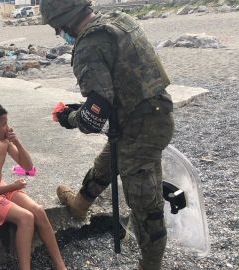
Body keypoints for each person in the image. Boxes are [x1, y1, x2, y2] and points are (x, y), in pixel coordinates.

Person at [41, 1, 175, 269]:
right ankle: (80, 204)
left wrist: (69, 117)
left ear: (65, 21)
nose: (60, 34)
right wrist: (86, 107)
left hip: (142, 128)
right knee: (108, 161)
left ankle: (150, 264)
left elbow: (94, 117)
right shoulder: (118, 20)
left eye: (58, 28)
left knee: (144, 203)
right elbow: (117, 85)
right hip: (148, 112)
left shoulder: (88, 45)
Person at [0, 103, 67, 270]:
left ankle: (60, 265)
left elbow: (27, 166)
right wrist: (12, 186)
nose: (8, 128)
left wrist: (17, 142)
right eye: (4, 124)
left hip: (1, 188)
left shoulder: (3, 142)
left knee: (38, 211)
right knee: (26, 218)